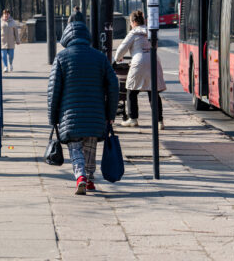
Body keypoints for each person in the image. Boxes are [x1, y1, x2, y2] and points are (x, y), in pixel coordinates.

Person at [48, 14, 119, 194]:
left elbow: (53, 90)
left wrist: (52, 117)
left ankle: (80, 176)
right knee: (90, 147)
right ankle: (89, 179)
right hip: (96, 115)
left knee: (75, 148)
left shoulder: (61, 58)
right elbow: (113, 86)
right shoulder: (100, 57)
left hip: (69, 114)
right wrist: (110, 114)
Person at [114, 10, 166, 129]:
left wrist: (118, 58)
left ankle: (133, 119)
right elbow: (155, 45)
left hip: (139, 62)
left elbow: (122, 48)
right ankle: (159, 122)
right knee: (153, 91)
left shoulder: (133, 33)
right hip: (154, 61)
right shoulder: (150, 32)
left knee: (131, 90)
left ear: (133, 22)